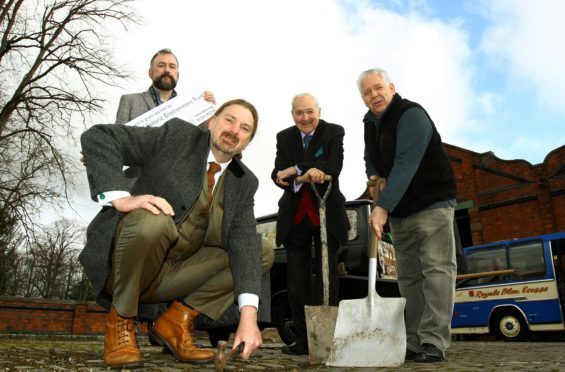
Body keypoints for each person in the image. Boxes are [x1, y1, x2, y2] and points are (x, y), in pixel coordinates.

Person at [80, 99, 274, 368]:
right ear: (211, 122)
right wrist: (120, 198)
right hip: (126, 264)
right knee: (154, 218)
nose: (234, 130)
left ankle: (176, 322)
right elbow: (101, 136)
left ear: (247, 142)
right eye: (229, 120)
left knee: (260, 249)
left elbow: (244, 244)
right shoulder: (177, 136)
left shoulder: (245, 182)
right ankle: (120, 321)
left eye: (244, 128)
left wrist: (249, 316)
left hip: (174, 276)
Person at [358, 68, 457, 363]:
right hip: (401, 211)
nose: (373, 95)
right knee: (409, 277)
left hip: (431, 203)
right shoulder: (369, 122)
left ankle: (434, 341)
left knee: (437, 271)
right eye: (366, 92)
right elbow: (369, 158)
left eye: (378, 88)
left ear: (391, 87)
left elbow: (405, 165)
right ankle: (413, 341)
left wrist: (381, 207)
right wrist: (374, 176)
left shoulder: (411, 114)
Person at [271, 93, 348, 355]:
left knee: (327, 278)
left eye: (310, 112)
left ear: (319, 110)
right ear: (292, 114)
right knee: (297, 282)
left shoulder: (334, 132)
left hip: (327, 214)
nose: (305, 118)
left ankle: (328, 338)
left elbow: (333, 165)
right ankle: (303, 340)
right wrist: (291, 173)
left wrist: (296, 168)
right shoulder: (285, 137)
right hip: (296, 217)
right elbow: (277, 171)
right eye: (299, 113)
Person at [115, 48, 215, 180]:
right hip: (135, 188)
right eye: (161, 65)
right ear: (150, 73)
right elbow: (117, 143)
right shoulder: (129, 101)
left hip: (175, 189)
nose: (167, 70)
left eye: (172, 66)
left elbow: (206, 143)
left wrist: (209, 109)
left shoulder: (193, 107)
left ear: (177, 75)